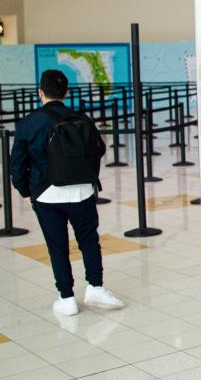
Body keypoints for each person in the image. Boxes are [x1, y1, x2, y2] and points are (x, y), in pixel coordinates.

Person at [10, 70, 125, 316]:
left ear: (40, 92)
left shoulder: (29, 123)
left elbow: (17, 162)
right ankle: (95, 287)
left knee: (57, 246)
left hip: (47, 194)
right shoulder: (81, 117)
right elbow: (100, 149)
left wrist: (25, 190)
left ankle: (67, 298)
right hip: (82, 191)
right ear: (66, 93)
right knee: (89, 240)